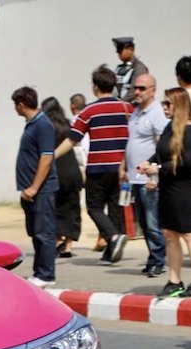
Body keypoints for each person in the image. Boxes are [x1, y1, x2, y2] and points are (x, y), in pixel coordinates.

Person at [138, 87, 191, 299]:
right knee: (169, 234)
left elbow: (189, 161)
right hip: (168, 188)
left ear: (179, 105)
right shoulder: (171, 128)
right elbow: (162, 152)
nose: (164, 108)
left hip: (185, 189)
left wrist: (159, 169)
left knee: (189, 234)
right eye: (163, 104)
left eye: (168, 104)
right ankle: (174, 280)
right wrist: (149, 162)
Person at [56, 66, 132, 266]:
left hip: (98, 168)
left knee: (94, 207)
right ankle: (111, 251)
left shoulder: (89, 111)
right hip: (121, 168)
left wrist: (53, 155)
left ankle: (113, 238)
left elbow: (73, 139)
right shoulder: (127, 109)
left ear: (95, 87)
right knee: (116, 209)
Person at [13, 86, 59, 288]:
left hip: (42, 190)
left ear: (21, 105)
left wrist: (34, 187)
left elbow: (46, 157)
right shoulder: (32, 124)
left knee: (44, 232)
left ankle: (46, 274)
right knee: (35, 231)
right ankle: (38, 271)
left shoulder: (42, 125)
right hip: (31, 190)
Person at [124, 74, 169, 278]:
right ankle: (153, 257)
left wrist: (154, 177)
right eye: (136, 88)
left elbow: (162, 147)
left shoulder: (157, 114)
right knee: (143, 222)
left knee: (153, 222)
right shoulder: (135, 113)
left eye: (142, 88)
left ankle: (159, 260)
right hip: (135, 178)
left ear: (153, 89)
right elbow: (132, 142)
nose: (137, 92)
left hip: (149, 179)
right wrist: (123, 167)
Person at [42, 97, 82, 259]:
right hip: (72, 170)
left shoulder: (45, 126)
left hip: (56, 170)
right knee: (72, 207)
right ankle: (69, 245)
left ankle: (58, 241)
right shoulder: (67, 124)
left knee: (56, 207)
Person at [112, 37, 149, 104]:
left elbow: (133, 91)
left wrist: (120, 104)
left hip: (132, 108)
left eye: (121, 51)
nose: (119, 54)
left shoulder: (138, 68)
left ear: (130, 49)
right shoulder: (119, 68)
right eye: (118, 52)